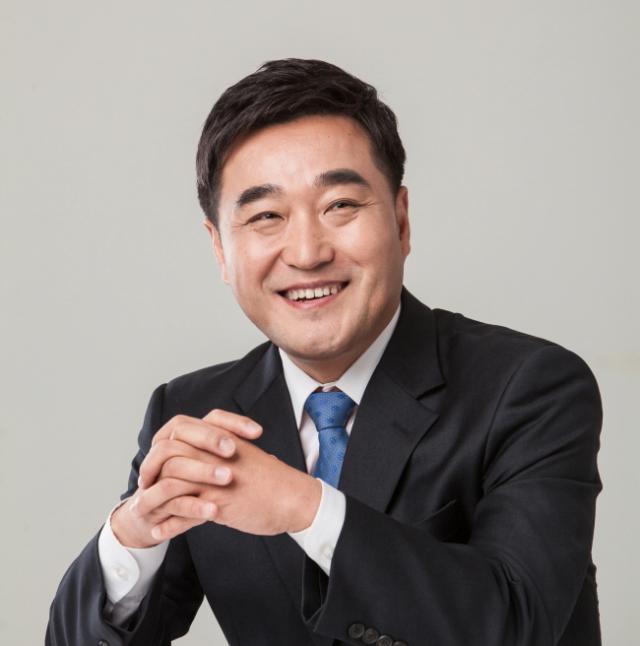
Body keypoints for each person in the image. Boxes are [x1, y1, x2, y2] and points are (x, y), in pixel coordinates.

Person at [46, 58, 602, 646]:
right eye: (266, 216)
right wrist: (132, 537)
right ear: (220, 250)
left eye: (340, 205)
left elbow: (519, 622)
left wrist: (304, 507)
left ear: (401, 221)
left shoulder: (529, 387)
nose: (307, 252)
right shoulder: (194, 411)